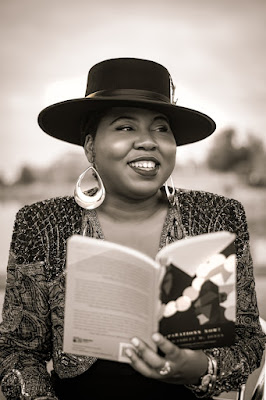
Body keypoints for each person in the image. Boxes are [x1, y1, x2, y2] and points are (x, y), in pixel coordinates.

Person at [0, 58, 265, 400]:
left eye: (161, 128)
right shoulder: (43, 223)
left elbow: (249, 340)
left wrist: (200, 366)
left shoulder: (216, 216)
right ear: (90, 146)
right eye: (125, 127)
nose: (148, 141)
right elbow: (17, 351)